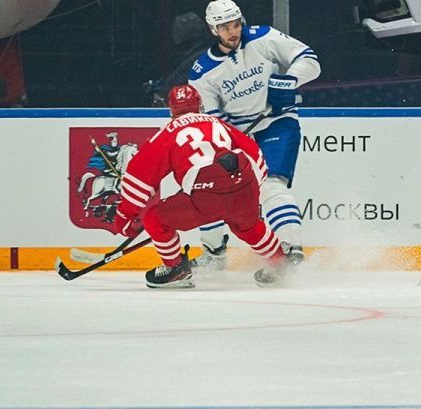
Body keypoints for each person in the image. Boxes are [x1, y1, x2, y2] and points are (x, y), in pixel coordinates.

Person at [187, 0, 320, 272]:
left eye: (235, 24)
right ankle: (214, 252)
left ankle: (291, 249)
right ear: (214, 30)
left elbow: (310, 60)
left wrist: (289, 80)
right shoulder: (202, 72)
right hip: (238, 136)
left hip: (277, 123)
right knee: (210, 188)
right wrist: (228, 146)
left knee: (272, 186)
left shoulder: (264, 37)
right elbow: (214, 119)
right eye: (225, 27)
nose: (232, 31)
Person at [110, 85, 289, 288]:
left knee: (155, 218)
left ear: (171, 110)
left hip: (206, 196)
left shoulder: (167, 133)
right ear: (200, 106)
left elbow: (140, 176)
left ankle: (175, 269)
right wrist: (248, 193)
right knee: (249, 225)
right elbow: (255, 156)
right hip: (243, 183)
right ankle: (279, 262)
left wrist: (125, 216)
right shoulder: (219, 123)